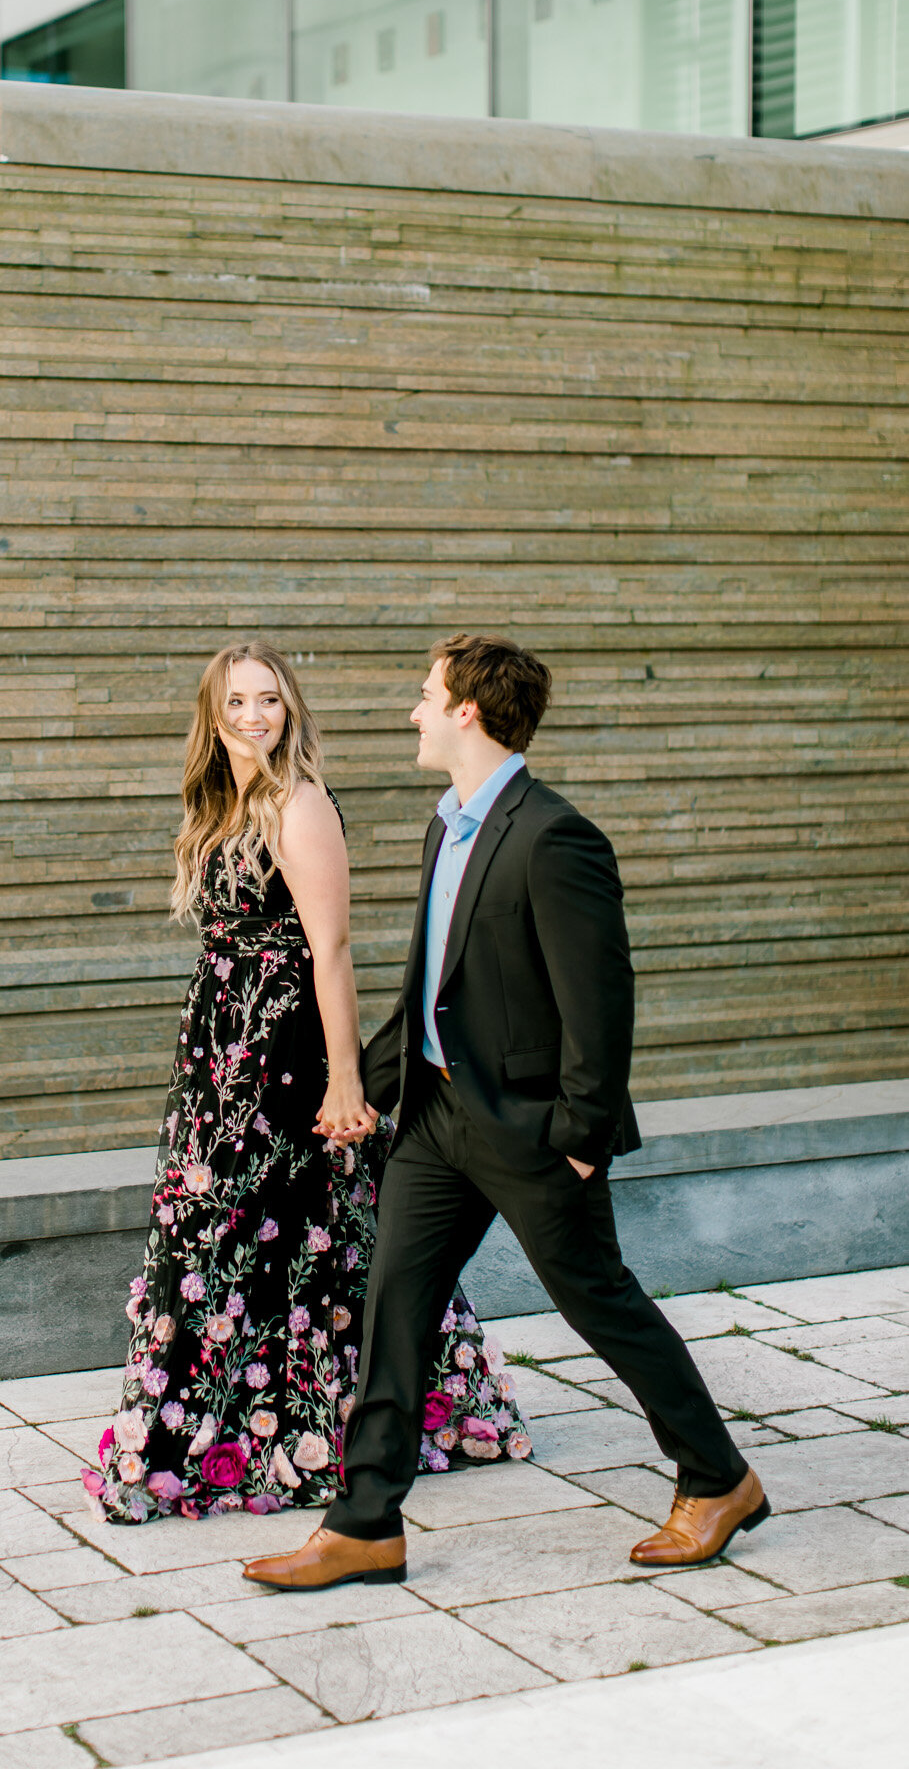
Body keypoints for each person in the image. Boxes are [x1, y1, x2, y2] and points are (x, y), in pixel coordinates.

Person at [245, 632, 769, 1590]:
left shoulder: (553, 834)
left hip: (529, 1130)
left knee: (598, 1302)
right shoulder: (447, 821)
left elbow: (599, 1000)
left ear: (468, 713)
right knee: (392, 1309)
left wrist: (579, 1138)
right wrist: (356, 1082)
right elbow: (434, 987)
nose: (412, 710)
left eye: (424, 694)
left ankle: (718, 1479)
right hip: (436, 1122)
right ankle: (365, 1524)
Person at [84, 639, 530, 1524]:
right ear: (213, 715)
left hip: (285, 1055)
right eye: (238, 702)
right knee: (225, 1230)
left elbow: (330, 950)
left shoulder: (298, 801)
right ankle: (241, 1434)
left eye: (270, 702)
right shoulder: (226, 803)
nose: (255, 717)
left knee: (304, 1235)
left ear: (290, 712)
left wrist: (345, 1081)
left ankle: (342, 1426)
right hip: (219, 1056)